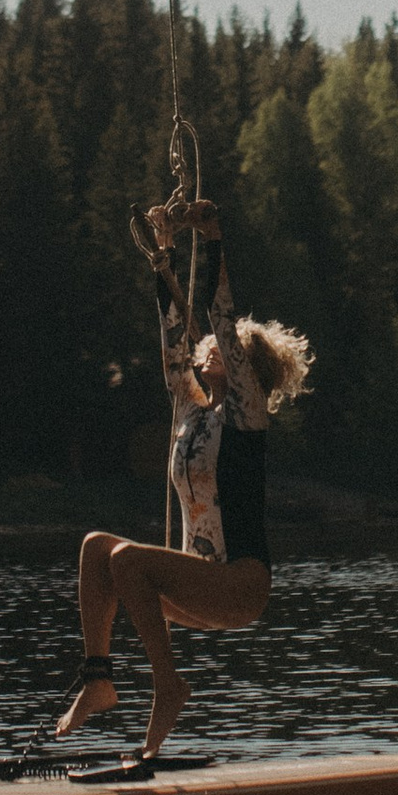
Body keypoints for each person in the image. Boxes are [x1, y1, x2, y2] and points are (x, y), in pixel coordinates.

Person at [57, 180, 312, 759]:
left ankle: (168, 686)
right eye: (219, 349)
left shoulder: (248, 416)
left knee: (126, 558)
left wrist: (214, 237)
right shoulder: (192, 411)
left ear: (249, 368)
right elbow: (175, 343)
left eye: (233, 350)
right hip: (195, 582)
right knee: (98, 547)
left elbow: (219, 317)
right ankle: (98, 680)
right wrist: (162, 257)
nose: (216, 350)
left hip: (240, 585)